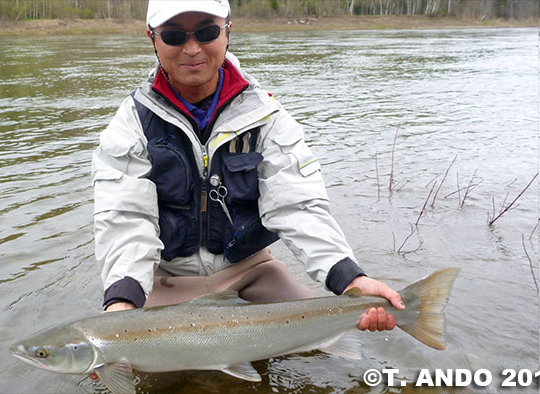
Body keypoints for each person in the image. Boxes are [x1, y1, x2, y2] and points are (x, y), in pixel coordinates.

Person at [91, 0, 404, 348]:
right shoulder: (130, 123)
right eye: (174, 35)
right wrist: (122, 301)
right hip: (168, 281)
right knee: (125, 357)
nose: (192, 49)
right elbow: (125, 219)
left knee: (328, 346)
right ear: (153, 39)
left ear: (227, 32)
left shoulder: (267, 115)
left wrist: (349, 278)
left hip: (253, 272)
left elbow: (297, 207)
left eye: (207, 32)